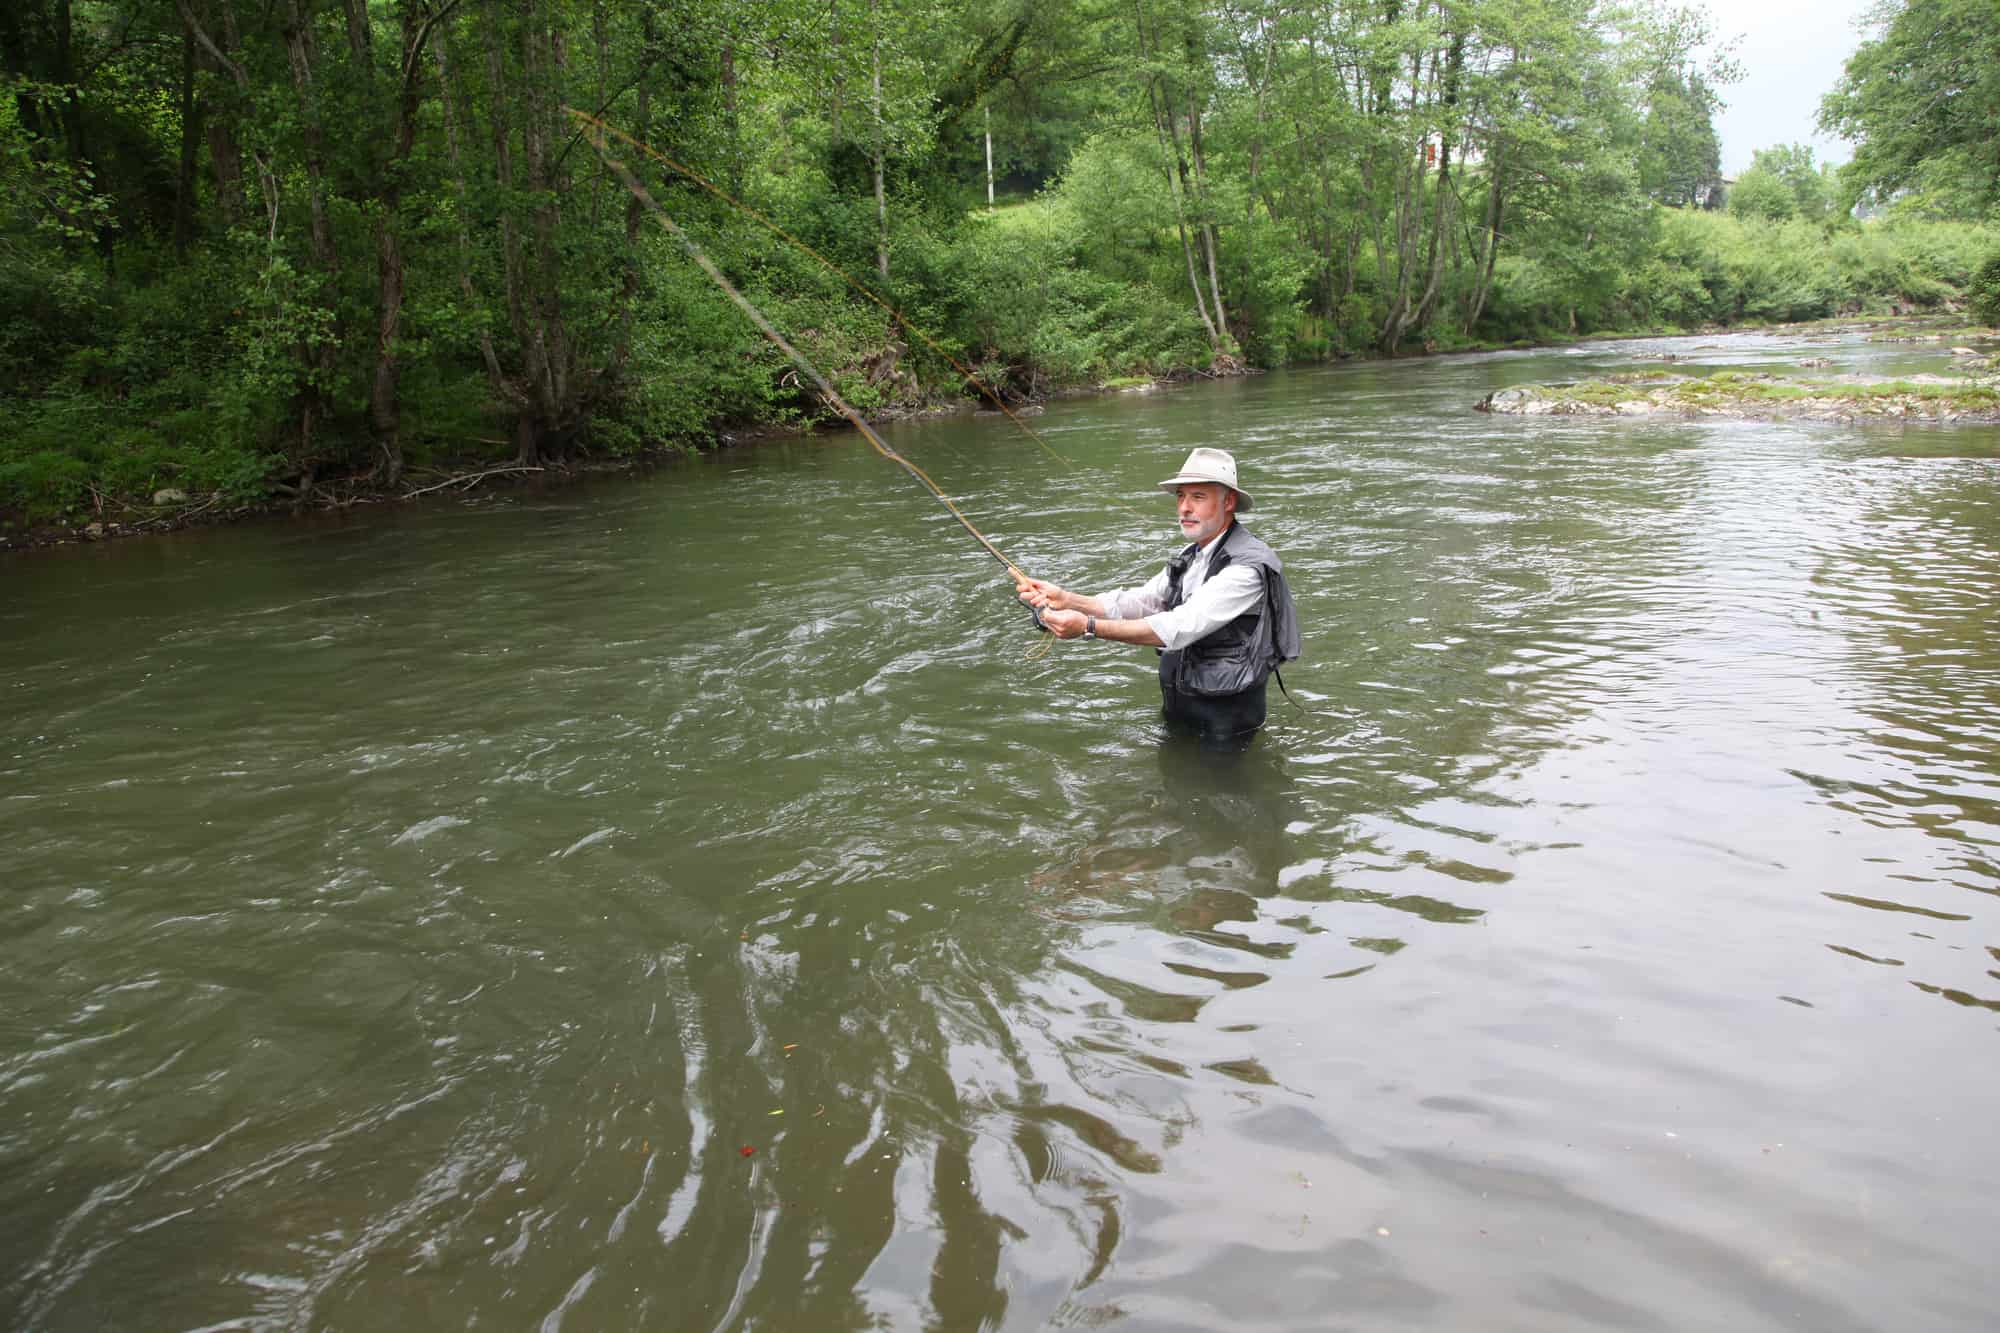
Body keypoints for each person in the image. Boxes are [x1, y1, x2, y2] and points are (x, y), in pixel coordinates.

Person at [1015, 447, 1300, 745]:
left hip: (1225, 721)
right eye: (1180, 496)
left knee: (1216, 790)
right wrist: (1069, 599)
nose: (1184, 508)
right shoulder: (1192, 554)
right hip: (1182, 704)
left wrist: (1088, 627)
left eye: (1198, 497)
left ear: (1228, 502)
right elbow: (1144, 601)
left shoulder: (1247, 569)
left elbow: (1178, 627)